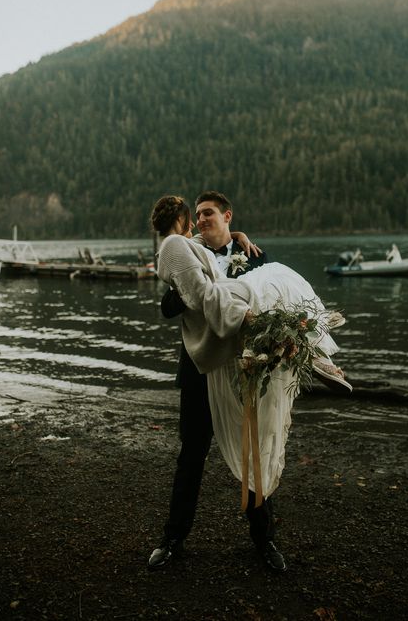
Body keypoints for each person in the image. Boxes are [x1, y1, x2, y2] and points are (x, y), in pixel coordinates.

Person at [148, 193, 349, 573]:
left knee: (255, 450)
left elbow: (278, 303)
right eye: (199, 214)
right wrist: (185, 294)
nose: (202, 219)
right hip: (199, 370)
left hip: (247, 370)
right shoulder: (186, 253)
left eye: (209, 213)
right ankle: (172, 539)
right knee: (191, 455)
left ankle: (264, 540)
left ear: (227, 217)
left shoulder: (255, 256)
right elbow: (167, 306)